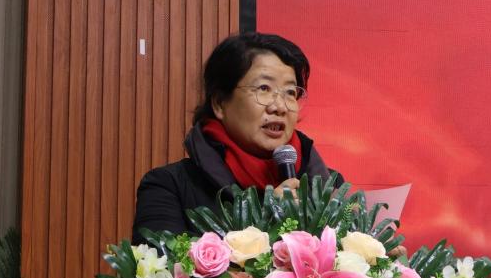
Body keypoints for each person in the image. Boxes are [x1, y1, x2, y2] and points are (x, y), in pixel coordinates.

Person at [132, 32, 341, 241]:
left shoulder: (330, 188)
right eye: (264, 88)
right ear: (220, 103)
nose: (279, 106)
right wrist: (267, 222)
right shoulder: (169, 186)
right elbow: (162, 260)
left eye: (290, 92)